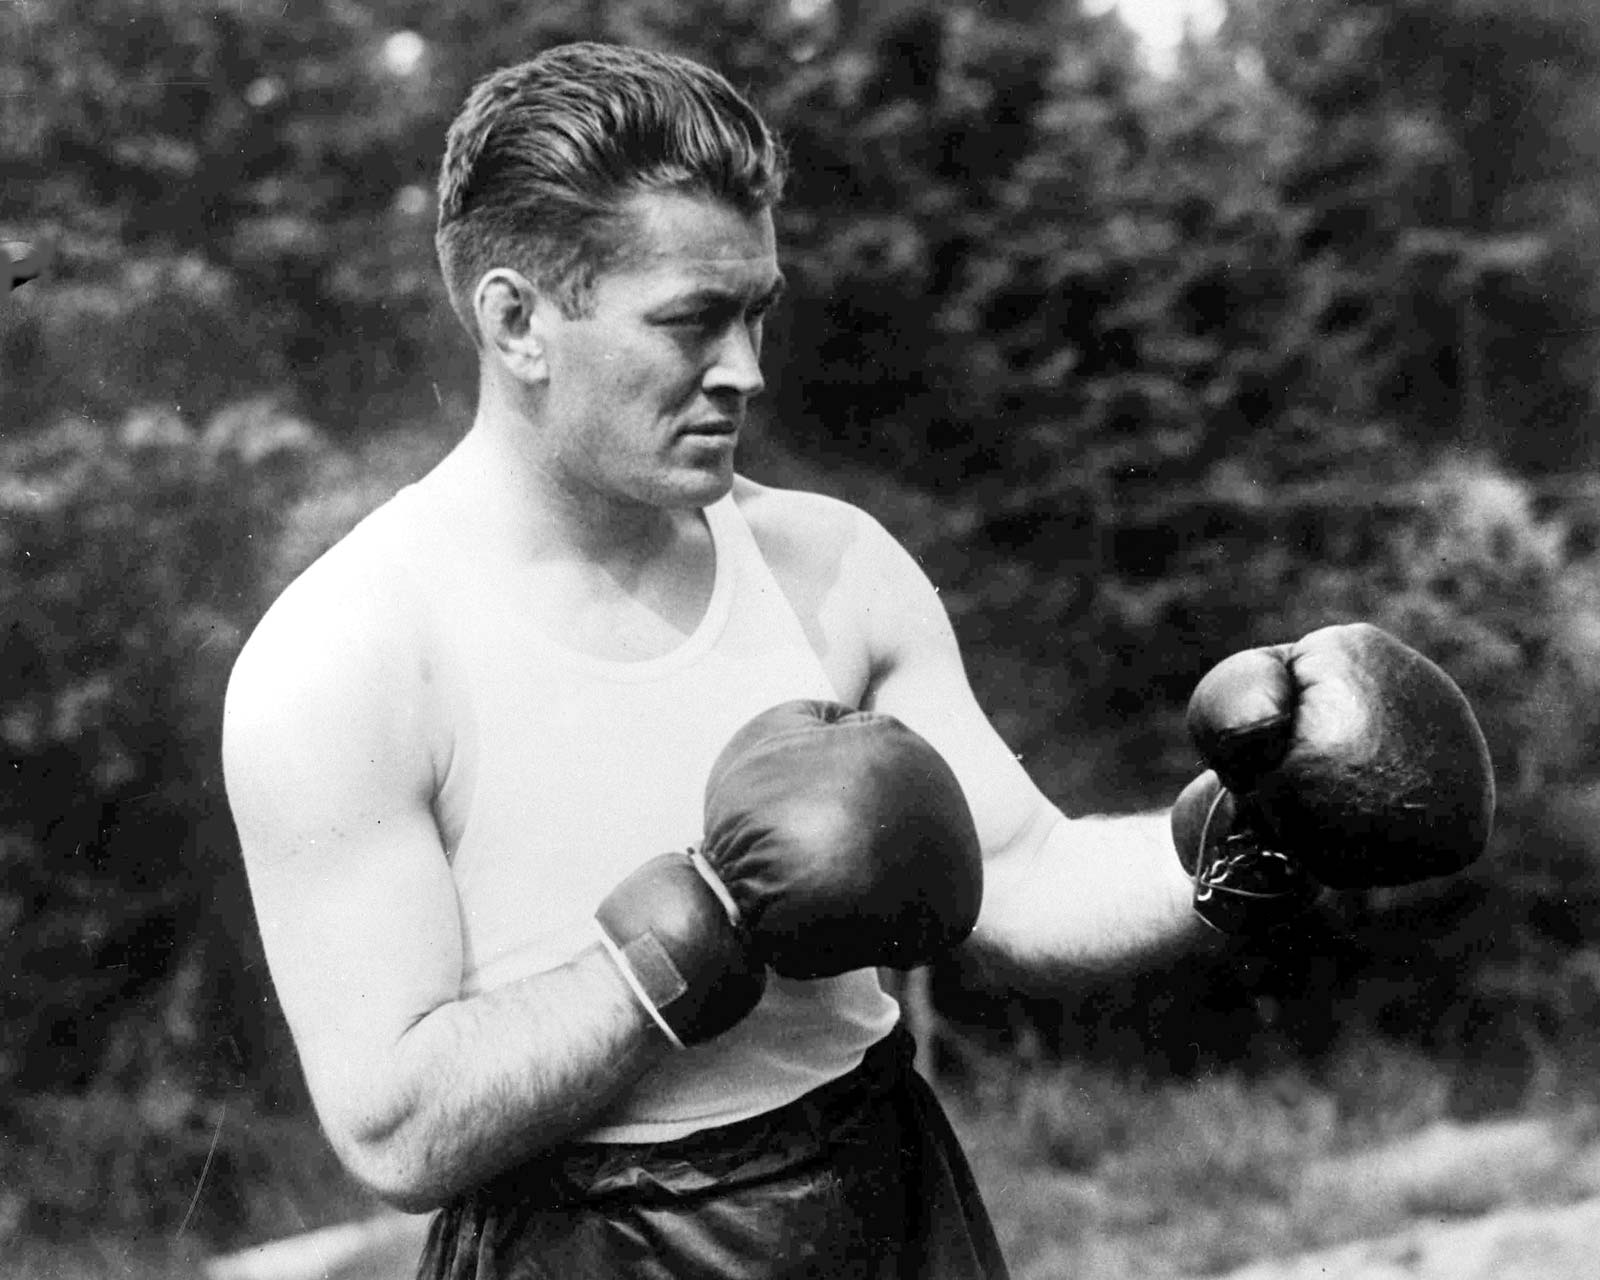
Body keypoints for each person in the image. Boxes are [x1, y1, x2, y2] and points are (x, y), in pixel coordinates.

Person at [221, 42, 1495, 1280]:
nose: (745, 371)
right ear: (515, 320)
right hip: (577, 1243)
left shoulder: (829, 565)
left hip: (881, 1195)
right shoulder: (348, 658)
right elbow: (394, 1121)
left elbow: (1017, 869)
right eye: (691, 322)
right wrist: (694, 937)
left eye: (757, 312)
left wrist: (1244, 833)